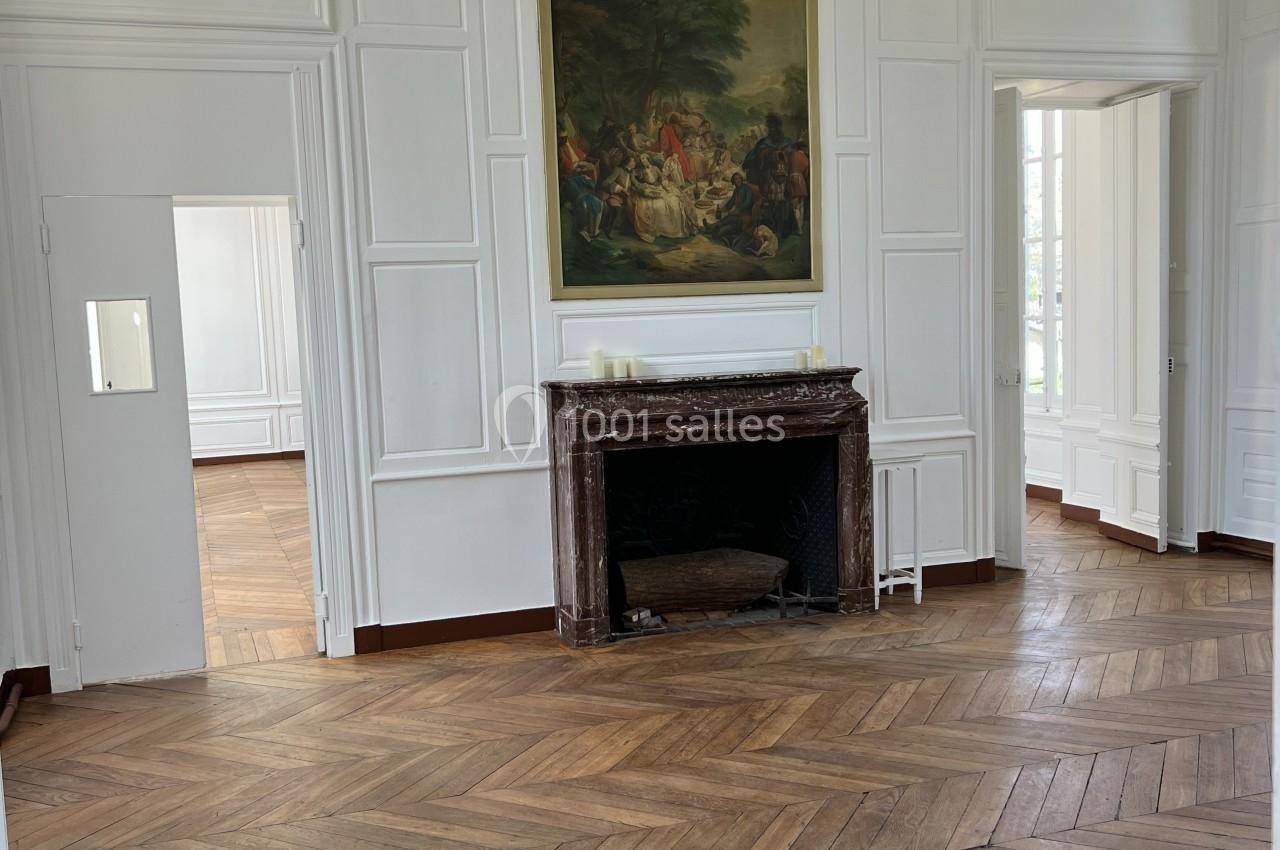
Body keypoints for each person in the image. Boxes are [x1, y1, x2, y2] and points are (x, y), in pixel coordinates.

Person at [711, 172, 756, 243]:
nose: (737, 180)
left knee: (731, 221)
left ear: (741, 179)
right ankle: (713, 227)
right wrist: (722, 209)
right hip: (737, 214)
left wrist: (738, 209)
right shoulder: (736, 190)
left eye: (739, 178)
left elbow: (748, 202)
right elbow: (731, 202)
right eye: (735, 179)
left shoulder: (747, 189)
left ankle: (715, 230)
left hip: (745, 213)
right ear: (733, 181)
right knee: (728, 219)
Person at [562, 161, 603, 240]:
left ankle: (594, 231)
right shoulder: (572, 179)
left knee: (599, 203)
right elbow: (572, 191)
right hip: (579, 198)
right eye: (579, 168)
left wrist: (586, 176)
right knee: (583, 205)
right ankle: (583, 231)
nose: (581, 170)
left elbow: (592, 186)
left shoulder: (586, 178)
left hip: (587, 197)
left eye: (583, 168)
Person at [600, 155, 635, 238]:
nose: (634, 163)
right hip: (615, 195)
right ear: (627, 162)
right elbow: (606, 183)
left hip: (625, 198)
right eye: (633, 161)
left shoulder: (631, 173)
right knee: (617, 210)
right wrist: (620, 189)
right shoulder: (618, 170)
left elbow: (636, 184)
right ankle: (610, 231)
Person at [652, 112, 693, 182]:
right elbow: (660, 143)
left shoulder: (668, 128)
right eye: (655, 122)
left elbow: (674, 140)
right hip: (667, 152)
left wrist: (675, 153)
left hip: (675, 150)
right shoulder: (660, 130)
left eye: (657, 121)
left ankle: (683, 180)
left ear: (661, 121)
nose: (656, 123)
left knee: (677, 167)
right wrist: (651, 148)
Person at [789, 140, 810, 235]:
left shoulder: (793, 155)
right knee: (801, 205)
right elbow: (807, 171)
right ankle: (800, 226)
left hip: (793, 180)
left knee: (795, 206)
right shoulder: (805, 157)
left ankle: (799, 229)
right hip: (801, 180)